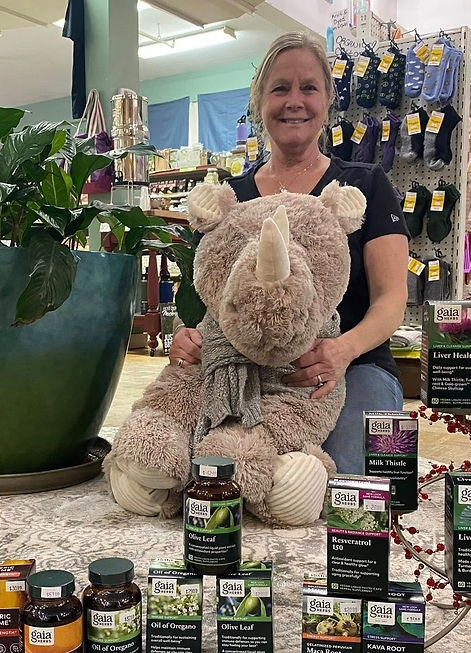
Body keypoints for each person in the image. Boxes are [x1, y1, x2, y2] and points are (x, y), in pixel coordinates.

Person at [169, 31, 409, 474]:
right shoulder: (230, 198)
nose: (294, 100)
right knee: (201, 468)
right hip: (245, 372)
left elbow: (392, 299)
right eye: (279, 88)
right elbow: (209, 298)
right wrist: (188, 338)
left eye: (308, 87)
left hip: (353, 367)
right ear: (260, 103)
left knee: (344, 482)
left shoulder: (365, 185)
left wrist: (342, 350)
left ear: (327, 100)